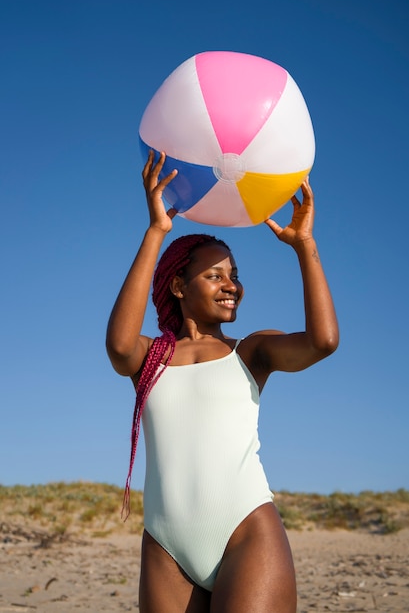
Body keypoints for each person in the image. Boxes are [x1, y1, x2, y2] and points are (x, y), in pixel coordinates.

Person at [106, 150, 339, 613]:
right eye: (215, 275)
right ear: (178, 286)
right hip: (165, 545)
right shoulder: (150, 358)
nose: (231, 284)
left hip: (245, 532)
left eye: (234, 275)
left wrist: (305, 246)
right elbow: (117, 345)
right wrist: (156, 232)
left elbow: (322, 341)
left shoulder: (249, 352)